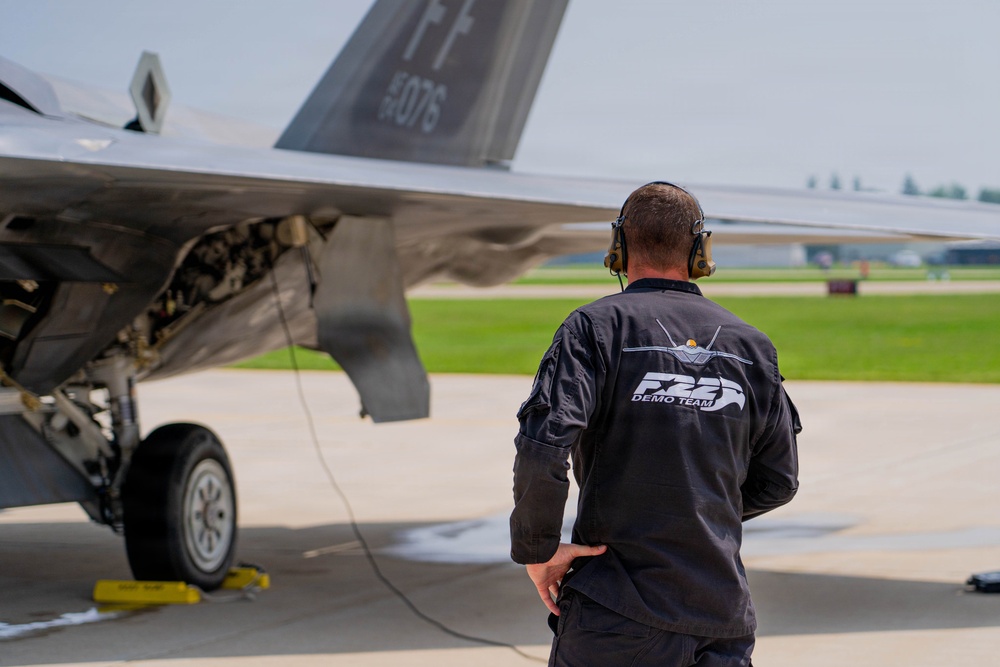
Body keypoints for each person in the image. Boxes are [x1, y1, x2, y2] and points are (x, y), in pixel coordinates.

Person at [510, 182, 801, 666]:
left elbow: (543, 446)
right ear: (701, 252)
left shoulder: (593, 329)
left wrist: (538, 549)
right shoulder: (753, 347)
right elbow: (779, 481)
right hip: (721, 616)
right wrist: (696, 514)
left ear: (617, 250)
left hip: (617, 613)